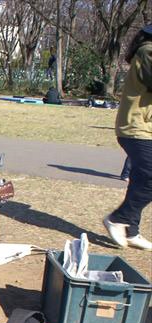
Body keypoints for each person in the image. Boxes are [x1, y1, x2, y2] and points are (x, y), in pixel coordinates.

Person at [103, 25, 152, 251]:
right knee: (149, 176)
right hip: (136, 128)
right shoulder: (148, 51)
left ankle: (130, 229)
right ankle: (118, 218)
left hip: (146, 128)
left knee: (141, 180)